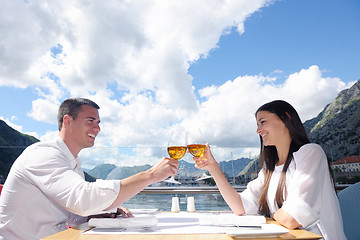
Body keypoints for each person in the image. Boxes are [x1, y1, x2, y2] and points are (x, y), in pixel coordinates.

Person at [0, 98, 179, 240]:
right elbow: (82, 199)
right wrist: (150, 175)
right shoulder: (43, 155)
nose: (98, 128)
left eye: (99, 122)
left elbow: (73, 214)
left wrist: (98, 213)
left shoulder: (73, 163)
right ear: (67, 121)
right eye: (91, 120)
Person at [194, 100, 346, 240]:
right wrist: (213, 168)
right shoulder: (269, 168)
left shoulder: (311, 153)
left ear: (285, 118)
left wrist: (268, 214)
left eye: (262, 122)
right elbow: (240, 208)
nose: (258, 130)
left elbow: (291, 218)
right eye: (257, 124)